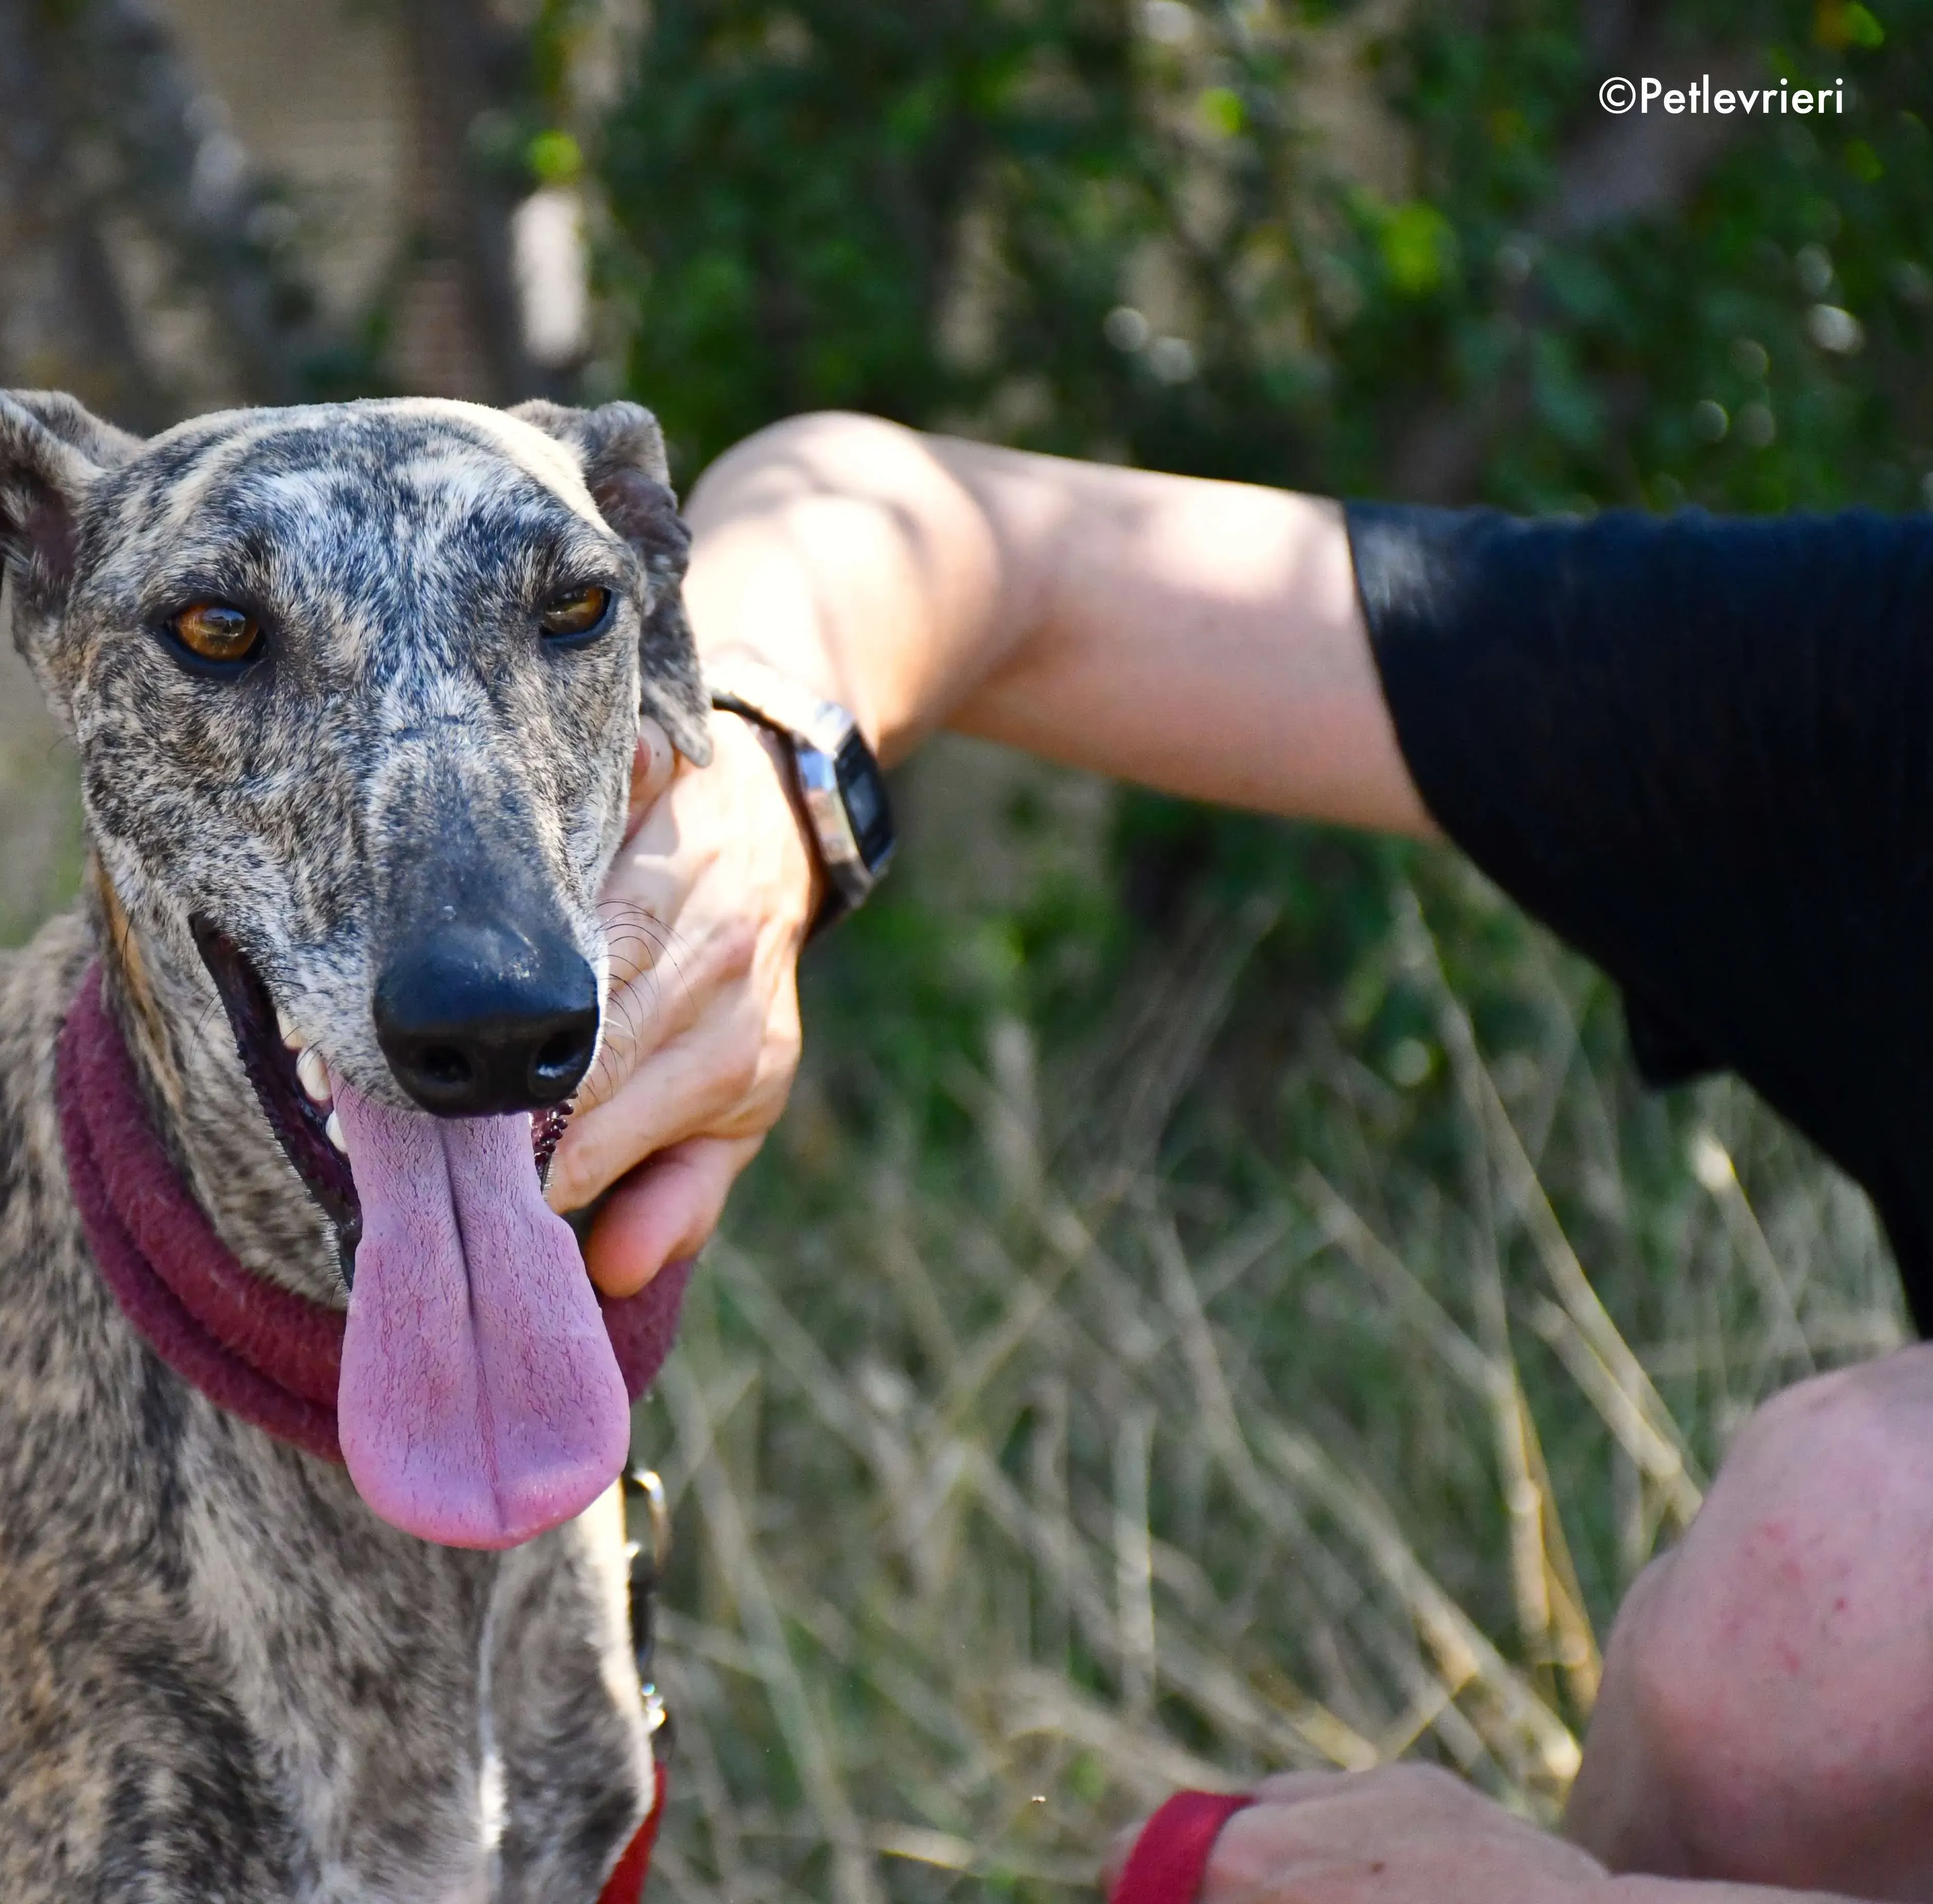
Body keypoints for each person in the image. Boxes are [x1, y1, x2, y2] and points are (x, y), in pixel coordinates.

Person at [547, 411, 1933, 1901]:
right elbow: (931, 526)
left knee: (1834, 1558)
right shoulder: (1874, 685)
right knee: (1852, 1577)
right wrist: (758, 783)